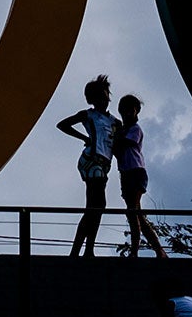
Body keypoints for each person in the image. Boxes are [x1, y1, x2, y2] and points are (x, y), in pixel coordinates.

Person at [56, 74, 117, 256]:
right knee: (96, 203)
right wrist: (85, 138)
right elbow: (63, 125)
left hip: (105, 163)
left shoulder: (115, 121)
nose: (103, 98)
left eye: (105, 94)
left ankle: (86, 248)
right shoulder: (88, 115)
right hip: (91, 161)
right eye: (99, 96)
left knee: (96, 207)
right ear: (92, 99)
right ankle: (80, 250)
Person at [113, 94, 167, 258]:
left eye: (131, 110)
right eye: (124, 111)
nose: (127, 114)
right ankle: (159, 251)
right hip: (126, 173)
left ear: (136, 111)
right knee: (138, 216)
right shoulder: (123, 131)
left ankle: (135, 252)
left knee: (132, 212)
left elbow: (125, 144)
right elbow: (117, 151)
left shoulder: (135, 130)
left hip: (135, 172)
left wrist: (114, 134)